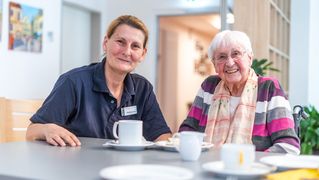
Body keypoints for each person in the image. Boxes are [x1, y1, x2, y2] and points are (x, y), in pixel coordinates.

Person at [26, 15, 172, 146]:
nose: (127, 52)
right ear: (106, 43)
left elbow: (161, 136)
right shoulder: (73, 82)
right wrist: (47, 129)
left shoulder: (143, 88)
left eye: (135, 46)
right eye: (120, 42)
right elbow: (31, 132)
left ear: (142, 54)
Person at [179, 30, 300, 154]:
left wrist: (247, 162)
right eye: (222, 57)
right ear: (214, 64)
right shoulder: (209, 86)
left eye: (236, 54)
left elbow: (288, 146)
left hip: (254, 170)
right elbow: (187, 132)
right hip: (205, 166)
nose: (230, 63)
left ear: (250, 58)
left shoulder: (268, 88)